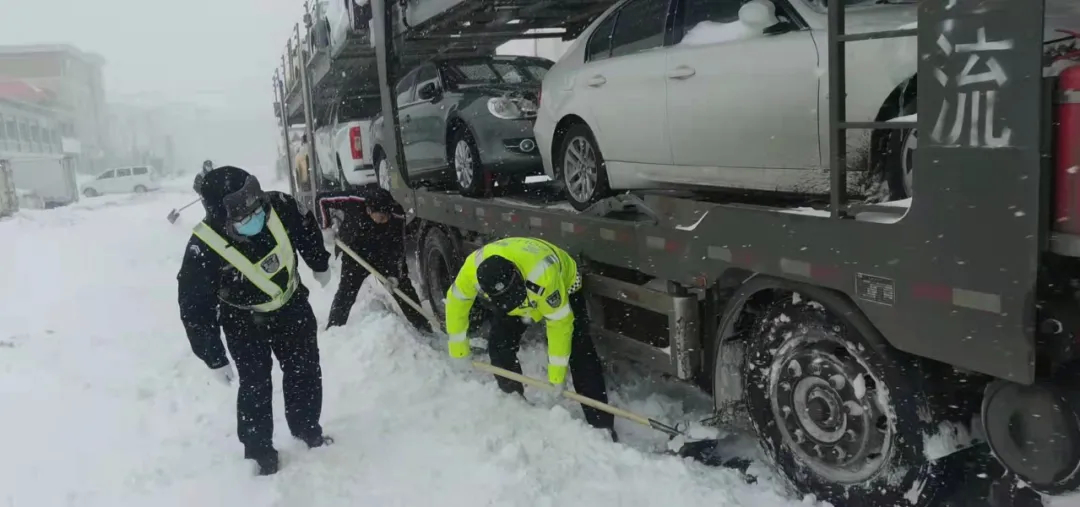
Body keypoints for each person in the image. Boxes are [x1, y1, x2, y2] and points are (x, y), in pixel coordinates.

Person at [177, 166, 334, 476]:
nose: (253, 212)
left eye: (254, 201)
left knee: (304, 369)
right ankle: (260, 450)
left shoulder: (279, 206)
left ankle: (306, 427)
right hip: (243, 321)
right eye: (241, 211)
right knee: (256, 384)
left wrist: (319, 262)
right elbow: (195, 307)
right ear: (219, 214)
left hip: (291, 305)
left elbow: (306, 228)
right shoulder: (203, 246)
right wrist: (213, 355)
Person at [443, 237, 617, 441]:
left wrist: (556, 377)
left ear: (516, 276)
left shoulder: (544, 275)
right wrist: (458, 351)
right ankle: (513, 402)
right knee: (499, 346)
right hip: (516, 292)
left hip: (563, 282)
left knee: (580, 352)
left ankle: (601, 426)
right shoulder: (472, 271)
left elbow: (559, 325)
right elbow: (456, 302)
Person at [320, 187, 432, 333]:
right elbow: (322, 200)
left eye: (386, 217)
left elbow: (399, 248)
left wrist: (395, 275)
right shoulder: (354, 200)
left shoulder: (396, 214)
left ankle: (423, 327)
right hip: (355, 252)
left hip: (383, 254)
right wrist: (325, 227)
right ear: (368, 211)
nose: (384, 221)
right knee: (346, 292)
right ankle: (334, 330)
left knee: (403, 289)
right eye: (380, 218)